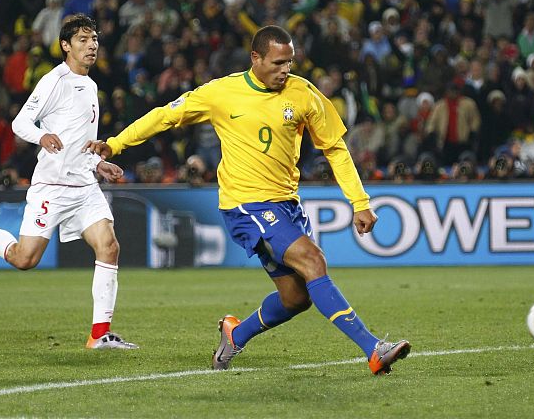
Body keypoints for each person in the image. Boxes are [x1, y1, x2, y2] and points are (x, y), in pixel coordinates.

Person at [84, 26, 410, 374]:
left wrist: (359, 201)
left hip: (287, 203)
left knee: (296, 298)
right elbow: (166, 115)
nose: (285, 70)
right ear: (255, 58)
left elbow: (335, 149)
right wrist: (116, 144)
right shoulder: (223, 92)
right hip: (245, 204)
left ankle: (235, 334)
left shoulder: (304, 94)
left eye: (290, 62)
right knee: (314, 261)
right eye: (278, 62)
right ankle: (374, 349)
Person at [0, 14, 137, 350]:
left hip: (84, 187)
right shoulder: (54, 81)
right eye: (84, 40)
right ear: (65, 45)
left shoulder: (90, 85)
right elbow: (20, 123)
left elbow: (80, 141)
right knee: (24, 259)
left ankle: (99, 334)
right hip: (52, 188)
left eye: (95, 40)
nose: (92, 46)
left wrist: (99, 164)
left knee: (109, 246)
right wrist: (43, 136)